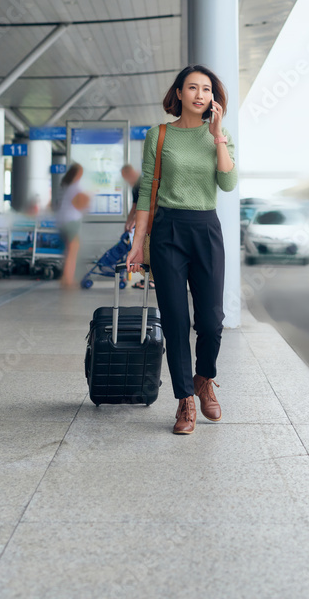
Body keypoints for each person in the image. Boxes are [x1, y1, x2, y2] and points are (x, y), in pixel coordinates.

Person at [126, 65, 237, 435]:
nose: (199, 94)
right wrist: (138, 244)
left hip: (206, 229)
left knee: (211, 321)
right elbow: (147, 192)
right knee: (174, 322)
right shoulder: (159, 135)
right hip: (168, 230)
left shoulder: (219, 136)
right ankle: (185, 400)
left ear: (213, 98)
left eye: (206, 89)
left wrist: (218, 135)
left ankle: (204, 378)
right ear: (178, 93)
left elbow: (228, 182)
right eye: (192, 87)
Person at [56, 163, 90, 289]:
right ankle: (68, 279)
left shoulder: (66, 186)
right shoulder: (75, 187)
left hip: (63, 220)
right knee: (72, 251)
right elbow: (79, 203)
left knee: (69, 250)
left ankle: (65, 277)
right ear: (77, 173)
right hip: (72, 221)